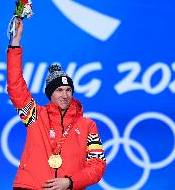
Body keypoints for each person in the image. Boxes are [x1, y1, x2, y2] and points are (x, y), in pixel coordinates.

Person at [7, 18, 106, 190]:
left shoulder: (88, 126)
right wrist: (15, 44)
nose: (65, 95)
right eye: (59, 90)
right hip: (31, 187)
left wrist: (70, 181)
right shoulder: (34, 115)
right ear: (50, 94)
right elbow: (15, 87)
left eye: (68, 90)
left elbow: (98, 165)